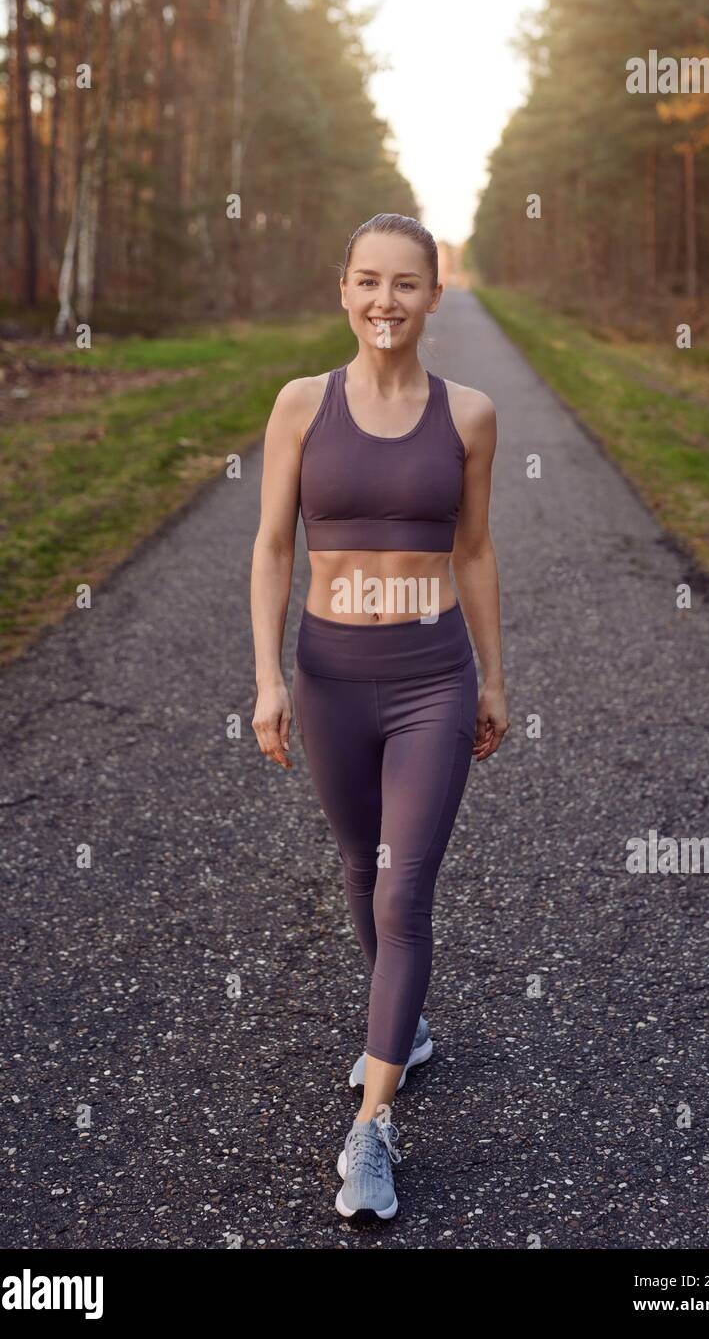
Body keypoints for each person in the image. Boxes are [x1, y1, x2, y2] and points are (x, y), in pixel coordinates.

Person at [251, 213, 508, 1220]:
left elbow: (476, 551)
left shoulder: (473, 415)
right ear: (341, 288)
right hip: (326, 676)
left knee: (402, 895)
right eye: (366, 281)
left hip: (429, 678)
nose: (383, 302)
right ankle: (407, 1026)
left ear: (434, 295)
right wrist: (268, 679)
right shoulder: (299, 405)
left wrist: (493, 679)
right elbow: (273, 546)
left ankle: (372, 1126)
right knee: (360, 869)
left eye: (405, 284)